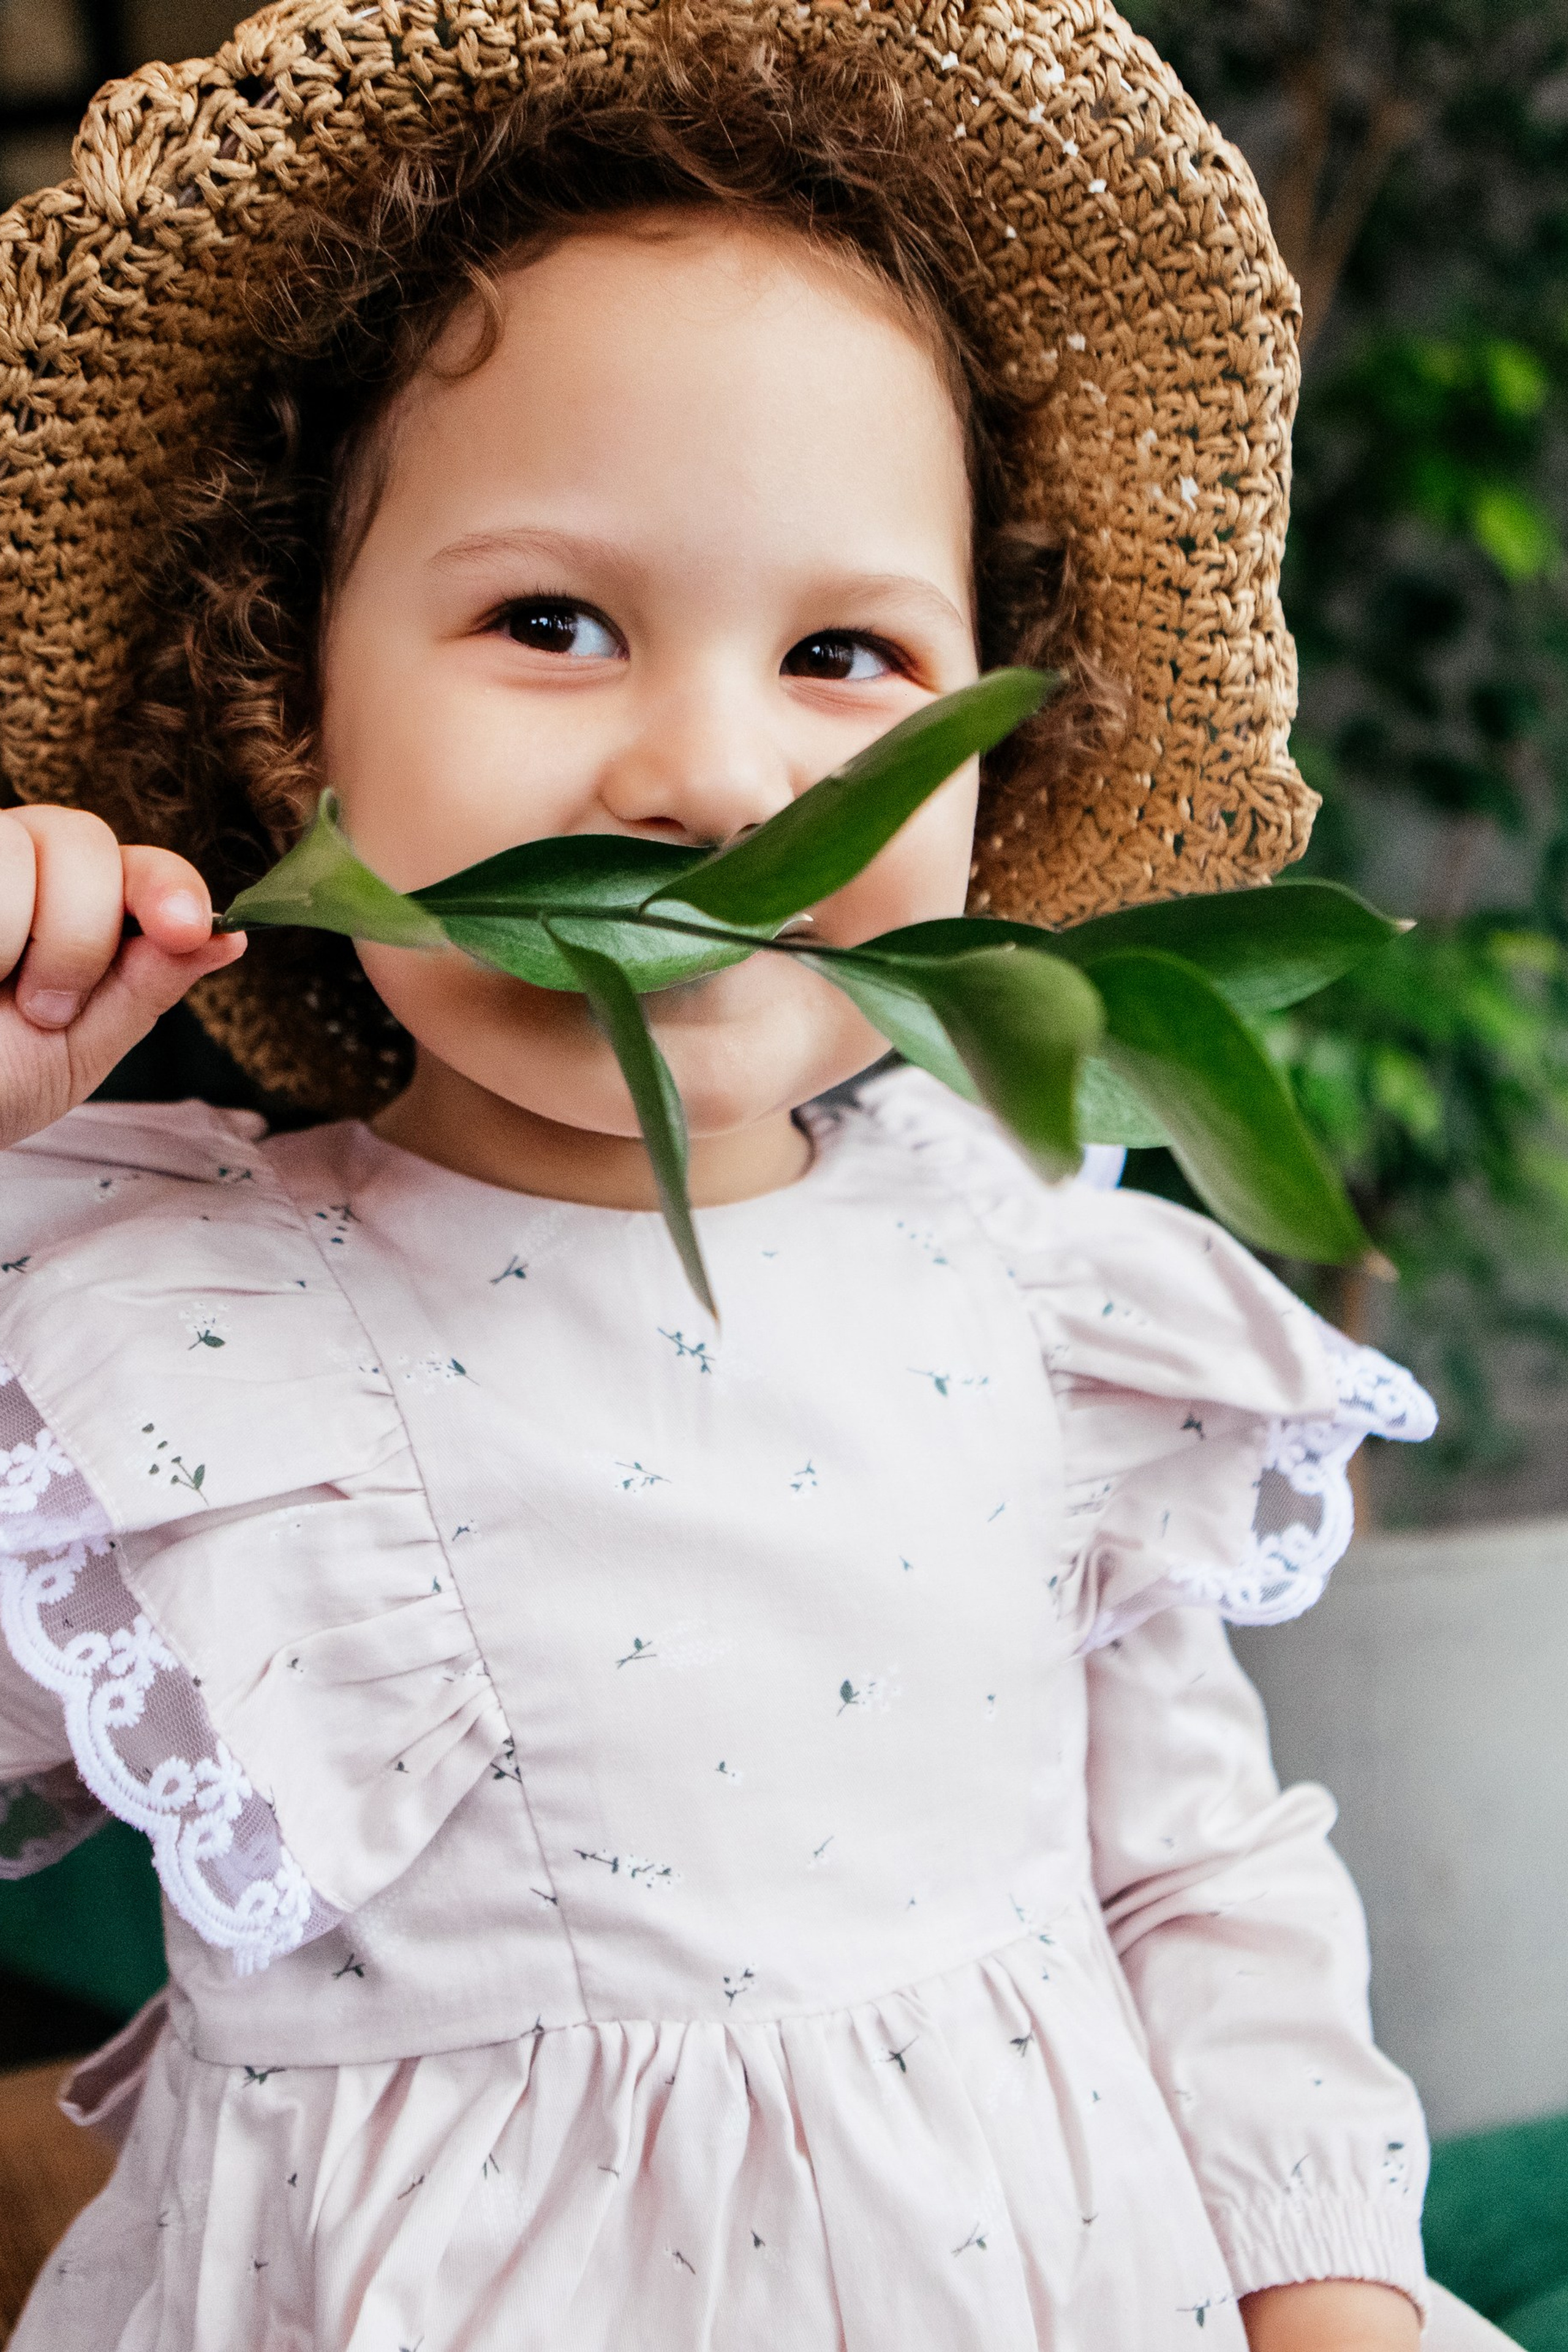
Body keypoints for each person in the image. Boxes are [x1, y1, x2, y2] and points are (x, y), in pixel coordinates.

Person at [0, 4, 1495, 2345]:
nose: (705, 781)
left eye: (841, 653)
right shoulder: (174, 1335)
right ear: (293, 703)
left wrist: (1327, 2296)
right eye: (551, 621)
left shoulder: (1042, 1297)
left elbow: (1195, 1873)